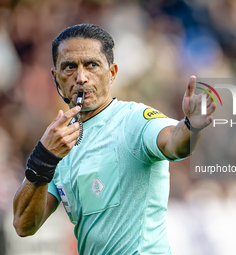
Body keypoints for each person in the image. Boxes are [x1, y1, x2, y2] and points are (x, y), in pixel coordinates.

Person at [13, 24, 216, 254]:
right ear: (56, 78)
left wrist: (191, 126)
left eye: (92, 65)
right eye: (69, 67)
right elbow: (23, 225)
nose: (81, 77)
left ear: (112, 73)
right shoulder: (59, 145)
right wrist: (43, 158)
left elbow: (175, 144)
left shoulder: (134, 120)